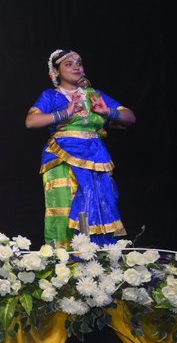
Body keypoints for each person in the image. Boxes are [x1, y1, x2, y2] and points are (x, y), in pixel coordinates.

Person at [25, 49, 135, 246]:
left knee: (100, 203)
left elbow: (130, 118)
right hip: (62, 158)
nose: (76, 67)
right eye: (68, 64)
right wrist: (65, 113)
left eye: (79, 63)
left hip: (96, 157)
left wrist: (107, 111)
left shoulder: (94, 95)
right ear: (56, 71)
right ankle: (65, 258)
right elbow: (31, 121)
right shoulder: (51, 96)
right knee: (67, 205)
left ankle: (97, 255)